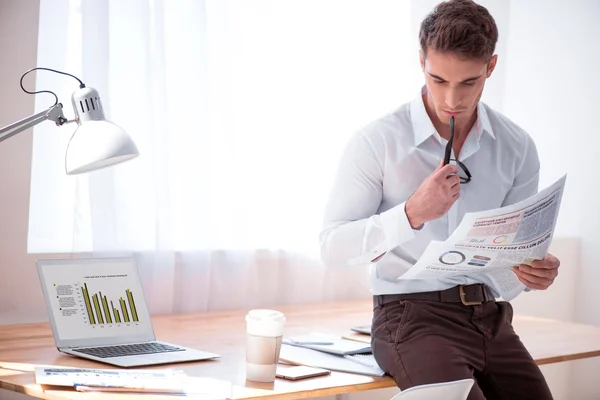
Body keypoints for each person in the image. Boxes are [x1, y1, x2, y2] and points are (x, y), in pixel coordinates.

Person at [319, 0, 560, 399]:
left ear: (491, 68)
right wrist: (411, 214)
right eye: (438, 79)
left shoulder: (516, 147)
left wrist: (530, 272)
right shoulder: (377, 142)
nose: (452, 99)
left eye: (469, 82)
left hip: (491, 317)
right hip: (409, 317)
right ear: (421, 62)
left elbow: (510, 259)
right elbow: (331, 250)